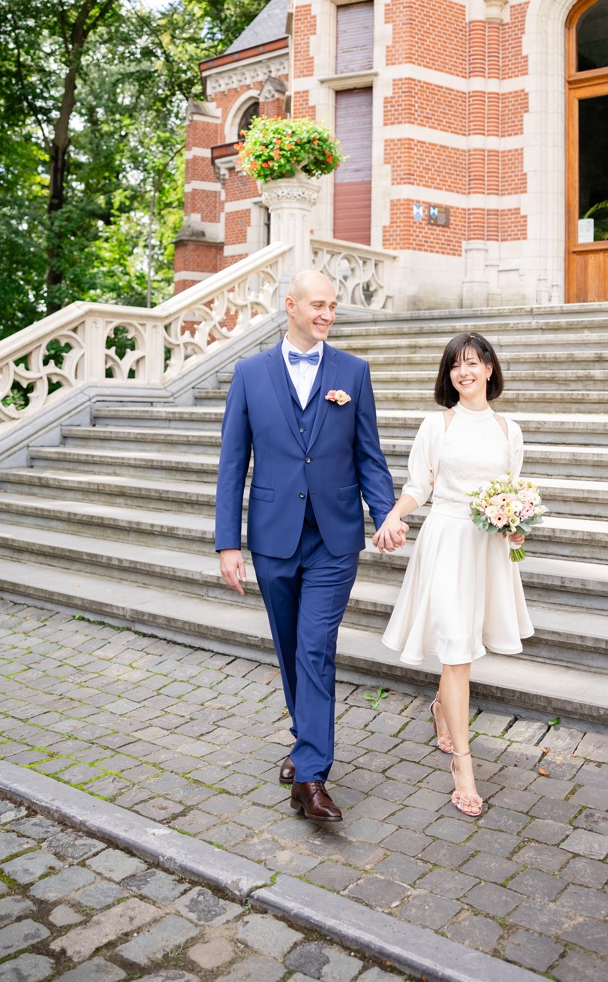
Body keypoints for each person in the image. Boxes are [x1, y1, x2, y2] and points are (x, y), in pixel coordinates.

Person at [215, 269, 400, 822]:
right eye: (317, 304)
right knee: (291, 645)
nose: (327, 314)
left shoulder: (353, 372)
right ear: (290, 306)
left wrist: (385, 513)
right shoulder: (249, 375)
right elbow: (232, 466)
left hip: (334, 537)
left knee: (315, 645)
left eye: (333, 306)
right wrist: (229, 543)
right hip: (273, 536)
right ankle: (304, 741)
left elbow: (370, 453)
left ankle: (313, 775)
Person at [375, 332, 534, 818]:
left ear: (489, 368)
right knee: (456, 653)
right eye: (455, 366)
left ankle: (444, 709)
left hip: (485, 547)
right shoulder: (435, 425)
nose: (464, 372)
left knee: (462, 647)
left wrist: (516, 526)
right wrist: (393, 515)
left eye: (472, 363)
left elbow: (511, 491)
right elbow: (418, 485)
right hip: (445, 541)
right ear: (449, 377)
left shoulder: (510, 430)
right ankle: (463, 766)